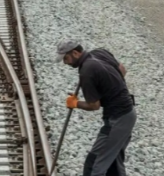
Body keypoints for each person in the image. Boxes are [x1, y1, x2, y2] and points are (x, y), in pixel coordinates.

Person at [56, 40, 136, 176]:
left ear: (75, 53)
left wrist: (75, 103)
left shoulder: (87, 71)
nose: (65, 62)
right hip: (128, 113)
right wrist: (112, 87)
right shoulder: (99, 52)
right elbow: (122, 70)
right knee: (113, 162)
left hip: (117, 119)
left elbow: (94, 105)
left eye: (66, 58)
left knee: (94, 165)